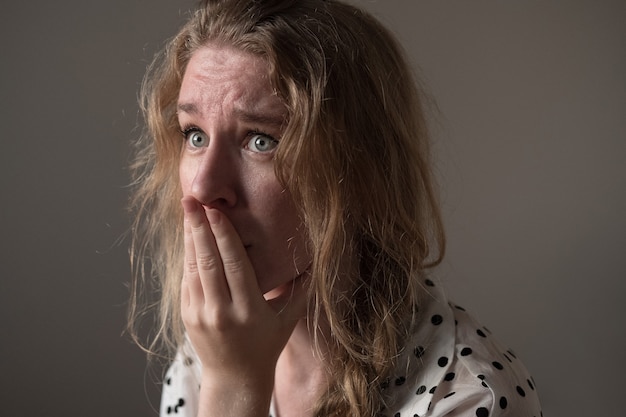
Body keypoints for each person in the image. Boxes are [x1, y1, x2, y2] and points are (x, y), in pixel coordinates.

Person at [127, 0, 542, 416]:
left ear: (362, 171)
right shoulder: (209, 353)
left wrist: (235, 389)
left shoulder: (468, 397)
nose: (203, 187)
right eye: (194, 135)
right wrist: (228, 377)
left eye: (261, 140)